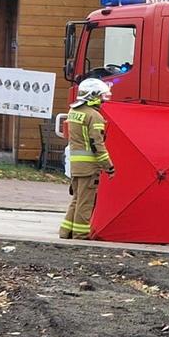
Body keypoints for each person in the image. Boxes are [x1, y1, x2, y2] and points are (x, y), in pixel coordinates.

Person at [60, 78, 115, 240]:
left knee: (76, 199)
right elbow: (97, 144)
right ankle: (80, 234)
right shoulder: (94, 116)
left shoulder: (74, 112)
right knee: (86, 202)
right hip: (89, 167)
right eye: (101, 96)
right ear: (92, 96)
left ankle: (65, 231)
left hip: (75, 165)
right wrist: (108, 166)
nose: (102, 100)